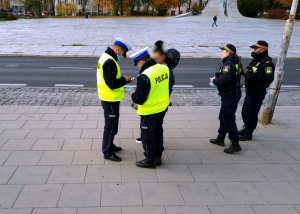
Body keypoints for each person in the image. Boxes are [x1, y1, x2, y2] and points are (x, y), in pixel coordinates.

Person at [130, 47, 170, 168]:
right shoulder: (164, 68)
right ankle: (158, 157)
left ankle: (150, 160)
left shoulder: (144, 75)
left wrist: (133, 95)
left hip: (149, 111)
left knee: (148, 137)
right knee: (158, 132)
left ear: (141, 61)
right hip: (162, 107)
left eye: (137, 63)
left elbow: (139, 99)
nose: (137, 66)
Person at [135, 40, 179, 144]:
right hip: (155, 104)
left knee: (153, 128)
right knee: (151, 127)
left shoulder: (166, 71)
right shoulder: (160, 67)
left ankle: (151, 150)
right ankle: (146, 137)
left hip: (155, 105)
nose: (153, 55)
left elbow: (162, 91)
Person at [97, 38, 133, 162]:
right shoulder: (110, 61)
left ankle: (110, 145)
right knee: (111, 127)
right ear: (118, 49)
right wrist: (125, 80)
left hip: (108, 98)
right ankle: (107, 151)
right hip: (110, 99)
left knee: (112, 125)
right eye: (123, 53)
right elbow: (112, 83)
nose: (123, 56)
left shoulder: (106, 56)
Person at [209, 44, 242, 154]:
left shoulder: (228, 64)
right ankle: (220, 138)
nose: (221, 53)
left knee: (228, 118)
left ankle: (235, 144)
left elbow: (225, 80)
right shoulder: (234, 62)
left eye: (223, 51)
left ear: (228, 52)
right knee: (223, 116)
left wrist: (214, 80)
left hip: (230, 95)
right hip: (230, 93)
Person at [239, 40, 275, 141]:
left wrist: (254, 76)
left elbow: (268, 79)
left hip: (257, 92)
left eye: (256, 48)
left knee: (252, 113)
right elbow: (251, 71)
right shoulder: (256, 59)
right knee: (245, 112)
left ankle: (249, 133)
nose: (254, 50)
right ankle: (246, 128)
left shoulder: (267, 63)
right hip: (250, 91)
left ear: (263, 49)